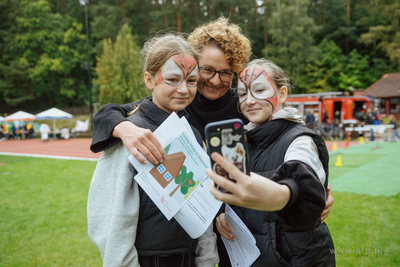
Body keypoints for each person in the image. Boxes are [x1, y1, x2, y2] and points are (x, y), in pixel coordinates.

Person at [89, 16, 334, 267]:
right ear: (194, 65)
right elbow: (113, 112)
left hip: (227, 233)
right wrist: (122, 128)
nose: (215, 80)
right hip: (174, 237)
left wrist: (311, 190)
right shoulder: (177, 99)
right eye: (207, 70)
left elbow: (285, 147)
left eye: (226, 72)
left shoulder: (242, 106)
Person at [87, 33, 219, 267]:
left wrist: (207, 259)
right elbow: (111, 220)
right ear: (149, 79)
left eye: (191, 81)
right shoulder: (129, 134)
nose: (183, 89)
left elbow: (201, 201)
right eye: (172, 79)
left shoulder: (193, 134)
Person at [206, 59, 335, 266]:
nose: (249, 100)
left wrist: (287, 194)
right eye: (242, 94)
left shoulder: (300, 139)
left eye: (259, 90)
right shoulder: (241, 141)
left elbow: (302, 175)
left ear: (282, 94)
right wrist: (222, 215)